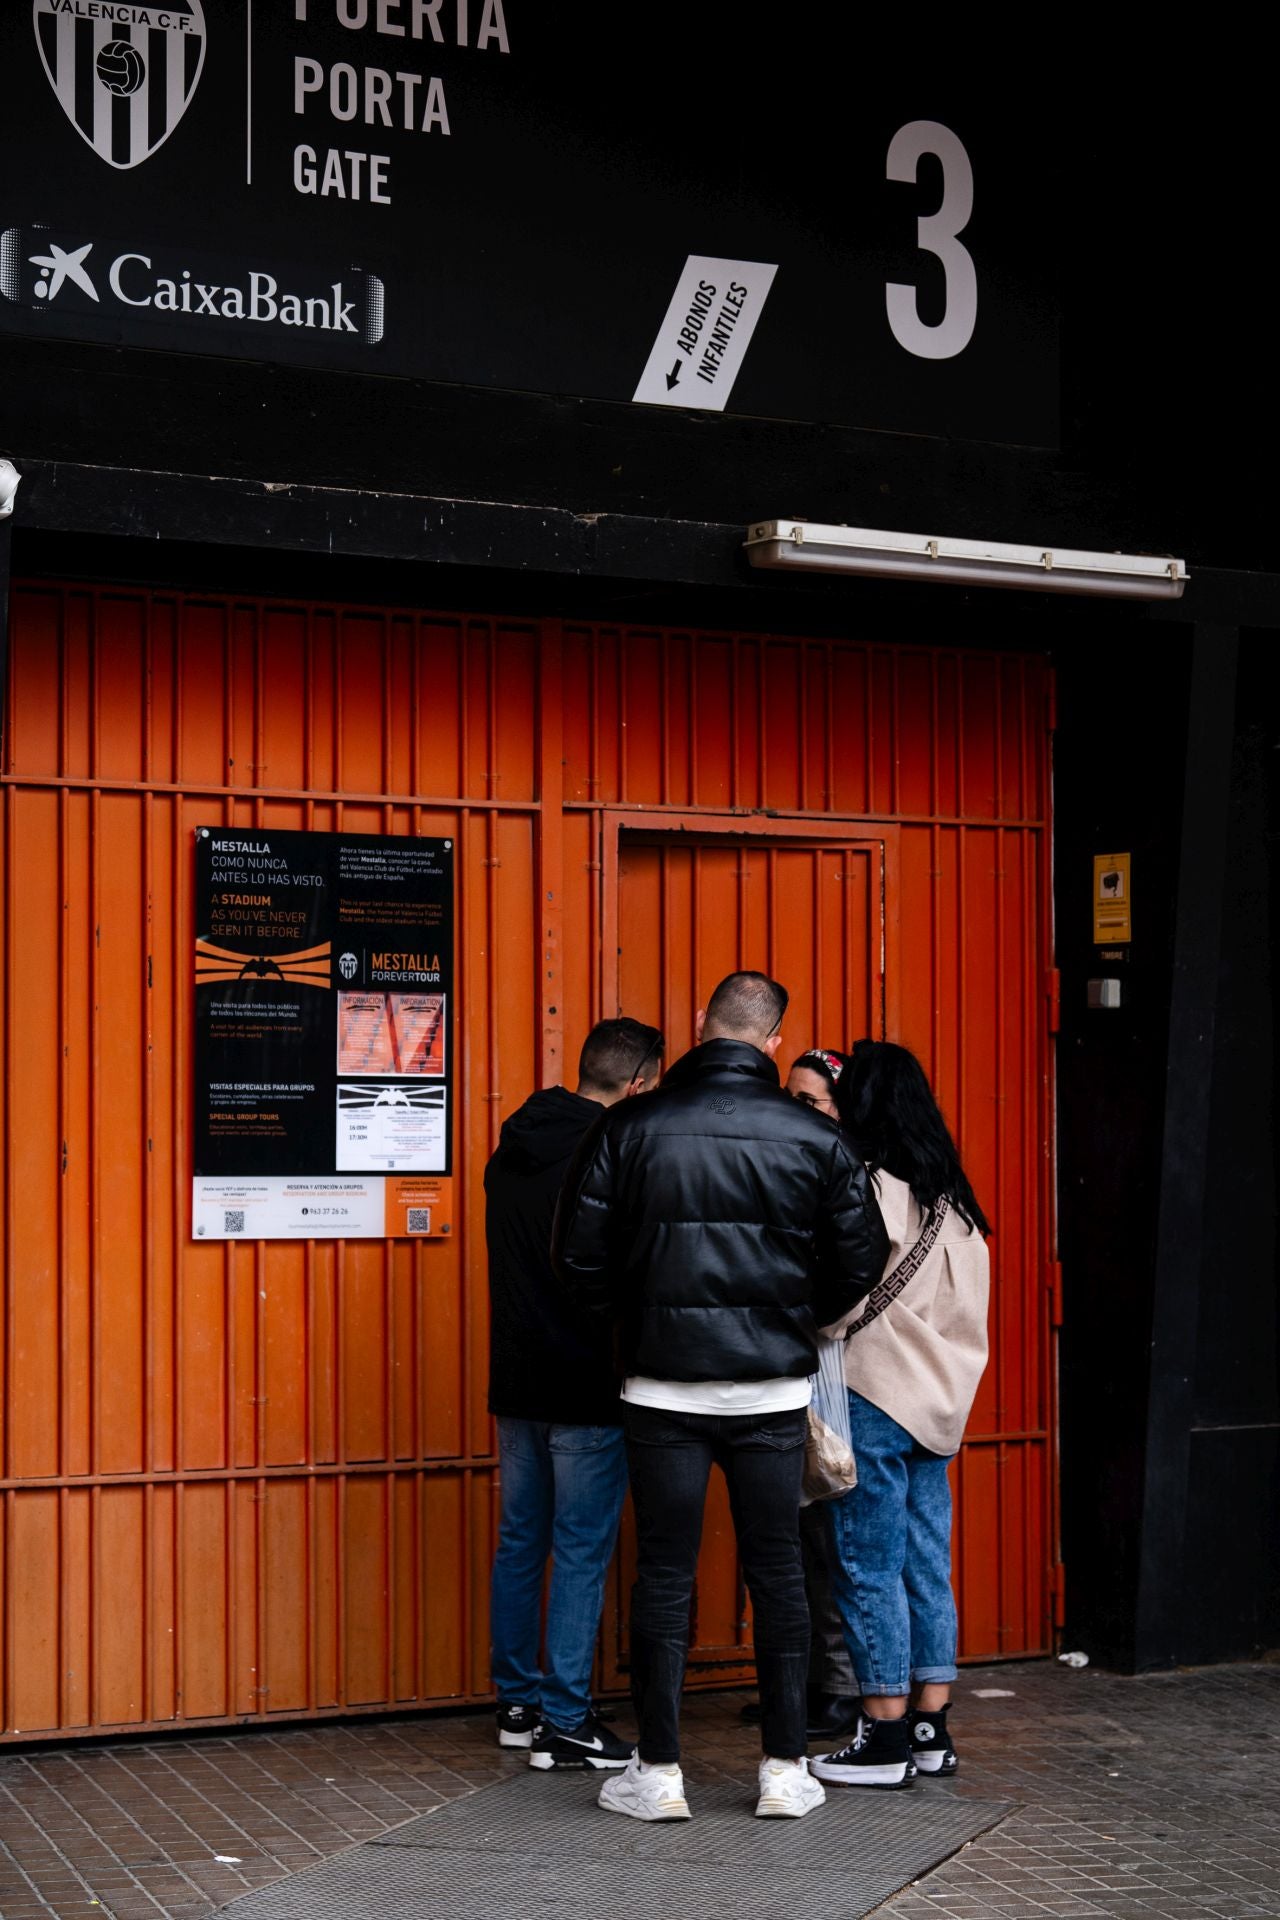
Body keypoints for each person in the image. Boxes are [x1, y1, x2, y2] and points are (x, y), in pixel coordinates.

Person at [553, 973, 889, 1822]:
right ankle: (784, 1770)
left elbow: (578, 1256)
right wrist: (790, 1322)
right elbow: (860, 1260)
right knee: (777, 1571)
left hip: (661, 1385)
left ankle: (658, 1774)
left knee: (663, 1571)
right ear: (774, 1041)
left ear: (701, 1026)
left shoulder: (629, 1124)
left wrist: (634, 1330)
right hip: (772, 1389)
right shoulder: (813, 1137)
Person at [809, 1040, 991, 1792]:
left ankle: (880, 1729)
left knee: (865, 1564)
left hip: (877, 1395)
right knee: (926, 1564)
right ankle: (928, 1727)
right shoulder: (959, 1204)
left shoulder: (874, 1186)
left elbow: (845, 1295)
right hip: (941, 1406)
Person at [485, 1017, 664, 1771]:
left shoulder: (512, 1147)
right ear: (638, 1084)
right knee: (582, 1550)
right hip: (588, 1380)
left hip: (519, 1377)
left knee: (522, 1541)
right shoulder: (611, 1152)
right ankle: (566, 1719)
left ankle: (518, 1705)